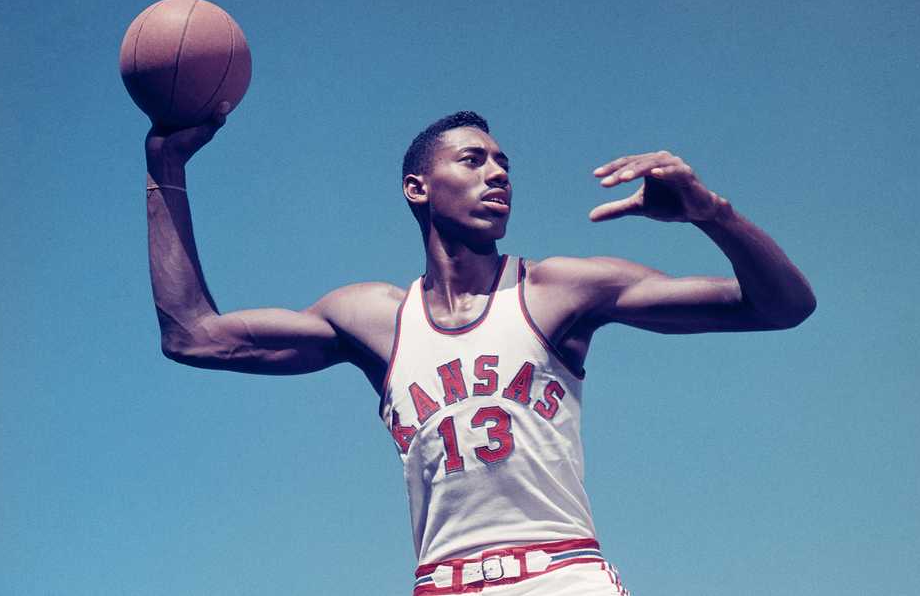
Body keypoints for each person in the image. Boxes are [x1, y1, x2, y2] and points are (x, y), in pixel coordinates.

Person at [143, 106, 816, 595]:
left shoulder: (558, 291)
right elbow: (193, 335)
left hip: (561, 574)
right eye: (473, 160)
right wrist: (165, 168)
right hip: (444, 584)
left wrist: (713, 215)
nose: (498, 174)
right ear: (418, 188)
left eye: (504, 164)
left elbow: (782, 306)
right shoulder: (374, 319)